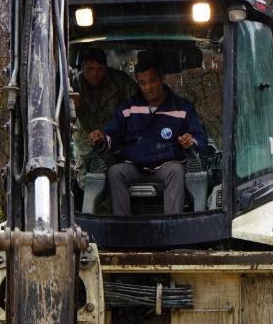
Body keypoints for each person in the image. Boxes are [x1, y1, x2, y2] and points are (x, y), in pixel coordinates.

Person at [94, 56, 209, 216]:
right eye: (143, 83)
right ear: (138, 83)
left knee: (176, 170)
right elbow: (113, 135)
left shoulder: (182, 108)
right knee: (115, 172)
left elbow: (200, 138)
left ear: (162, 78)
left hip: (167, 167)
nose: (148, 87)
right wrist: (101, 137)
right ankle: (122, 228)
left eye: (152, 80)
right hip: (134, 167)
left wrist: (191, 141)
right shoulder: (129, 107)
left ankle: (172, 226)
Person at [71, 48, 135, 188]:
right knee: (90, 188)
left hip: (117, 144)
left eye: (100, 69)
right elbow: (64, 117)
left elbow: (137, 109)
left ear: (106, 67)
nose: (95, 74)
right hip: (85, 146)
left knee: (117, 185)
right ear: (82, 67)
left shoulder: (120, 82)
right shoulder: (74, 85)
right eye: (90, 69)